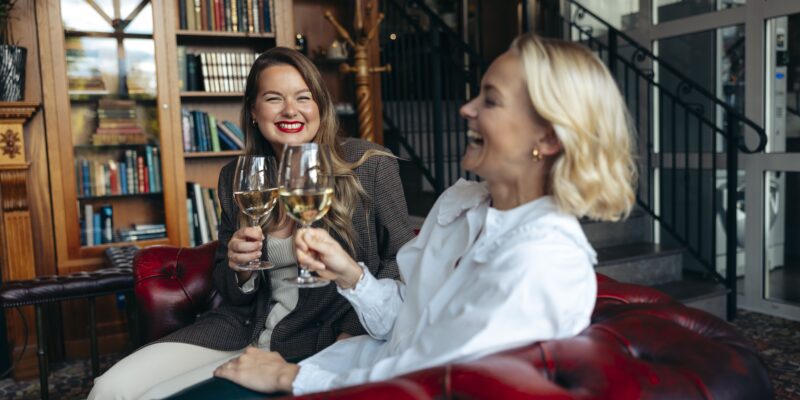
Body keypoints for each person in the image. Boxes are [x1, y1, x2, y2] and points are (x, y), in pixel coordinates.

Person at [212, 33, 637, 395]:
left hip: (358, 386)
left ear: (546, 138)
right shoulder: (462, 203)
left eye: (490, 100)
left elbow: (438, 378)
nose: (466, 109)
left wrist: (293, 376)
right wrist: (351, 276)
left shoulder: (543, 260)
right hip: (349, 364)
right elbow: (406, 319)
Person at [89, 47, 414, 399]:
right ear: (254, 112)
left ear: (320, 105)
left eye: (303, 97)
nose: (291, 110)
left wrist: (352, 333)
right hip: (240, 329)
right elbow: (229, 289)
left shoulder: (370, 165)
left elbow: (401, 260)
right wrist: (240, 270)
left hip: (320, 336)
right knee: (110, 389)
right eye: (274, 98)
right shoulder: (237, 177)